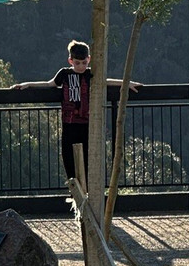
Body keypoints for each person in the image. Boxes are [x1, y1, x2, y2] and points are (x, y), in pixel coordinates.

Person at [11, 40, 140, 181]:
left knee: (87, 157)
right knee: (68, 157)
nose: (81, 66)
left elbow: (107, 81)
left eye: (84, 63)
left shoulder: (91, 74)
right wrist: (27, 84)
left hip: (87, 125)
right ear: (70, 61)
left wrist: (128, 83)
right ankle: (74, 189)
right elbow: (49, 84)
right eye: (77, 63)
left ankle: (88, 190)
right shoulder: (64, 74)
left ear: (89, 60)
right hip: (69, 124)